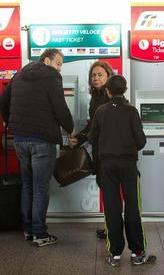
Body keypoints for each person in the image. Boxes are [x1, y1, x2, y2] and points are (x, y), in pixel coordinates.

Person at [0, 48, 74, 247]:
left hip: (20, 139)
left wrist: (10, 122)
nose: (59, 68)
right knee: (40, 188)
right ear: (47, 60)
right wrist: (70, 128)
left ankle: (29, 230)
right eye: (58, 63)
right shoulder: (52, 78)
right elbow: (60, 108)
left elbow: (3, 100)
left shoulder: (20, 75)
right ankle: (40, 233)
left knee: (28, 185)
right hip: (42, 139)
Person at [88, 75, 156, 267]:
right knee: (133, 207)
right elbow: (141, 141)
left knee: (112, 208)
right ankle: (137, 253)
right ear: (124, 90)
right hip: (128, 165)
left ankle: (115, 254)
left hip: (107, 166)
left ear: (108, 91)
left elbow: (92, 138)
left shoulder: (101, 111)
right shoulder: (132, 111)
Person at [68, 60, 113, 240]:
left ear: (108, 77)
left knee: (109, 189)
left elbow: (97, 127)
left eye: (99, 75)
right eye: (93, 75)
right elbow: (92, 125)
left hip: (107, 151)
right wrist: (79, 138)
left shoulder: (108, 97)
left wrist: (80, 138)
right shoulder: (96, 96)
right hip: (100, 150)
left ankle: (112, 227)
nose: (95, 78)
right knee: (106, 188)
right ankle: (109, 225)